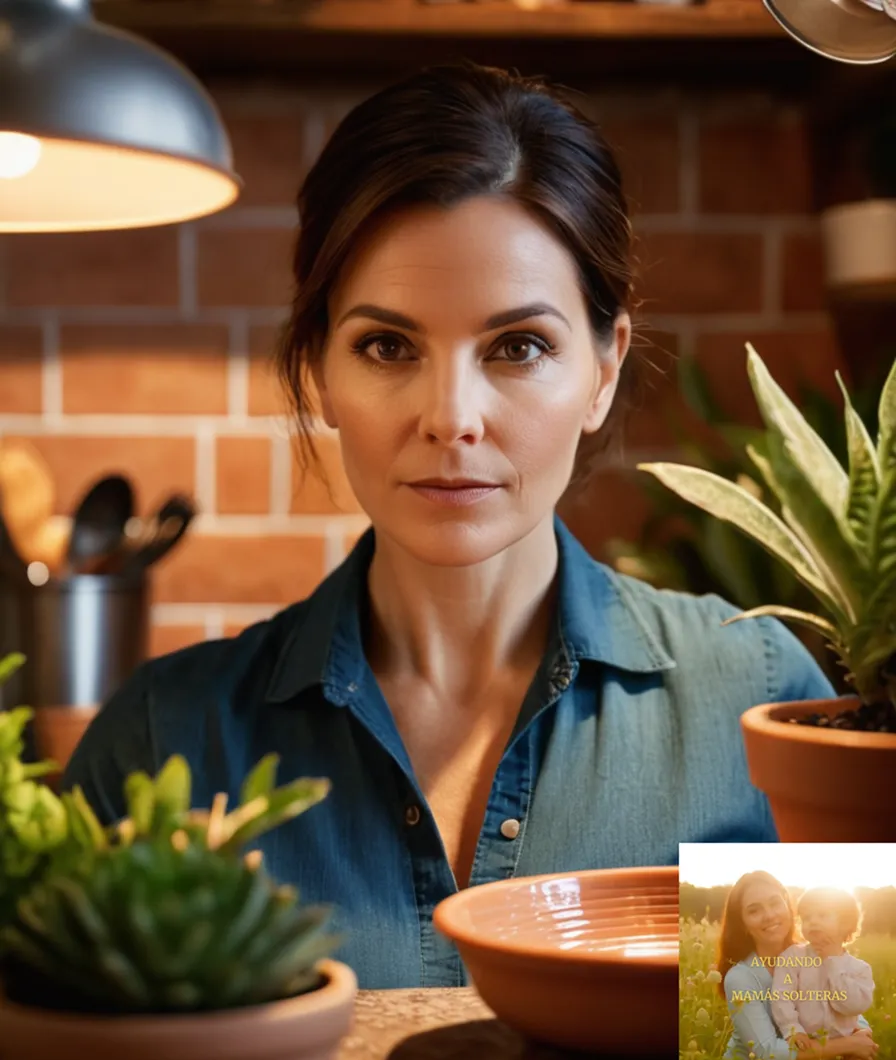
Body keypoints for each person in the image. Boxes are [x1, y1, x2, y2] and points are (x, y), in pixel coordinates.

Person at [62, 61, 838, 990]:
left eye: (518, 347)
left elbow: (813, 1057)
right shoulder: (164, 743)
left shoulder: (757, 708)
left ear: (602, 368)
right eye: (387, 346)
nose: (450, 417)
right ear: (317, 374)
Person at [717, 872, 878, 1060]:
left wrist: (862, 1033)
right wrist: (849, 1045)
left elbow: (839, 1003)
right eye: (754, 910)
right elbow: (768, 1053)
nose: (769, 915)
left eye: (775, 903)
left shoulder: (814, 953)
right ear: (743, 923)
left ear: (788, 906)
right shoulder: (740, 978)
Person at [770, 886, 875, 1060]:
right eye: (807, 917)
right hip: (807, 1044)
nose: (813, 922)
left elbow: (852, 1006)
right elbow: (781, 997)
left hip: (844, 1049)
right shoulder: (792, 957)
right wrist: (793, 1030)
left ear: (845, 923)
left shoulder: (859, 969)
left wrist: (832, 962)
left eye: (822, 915)